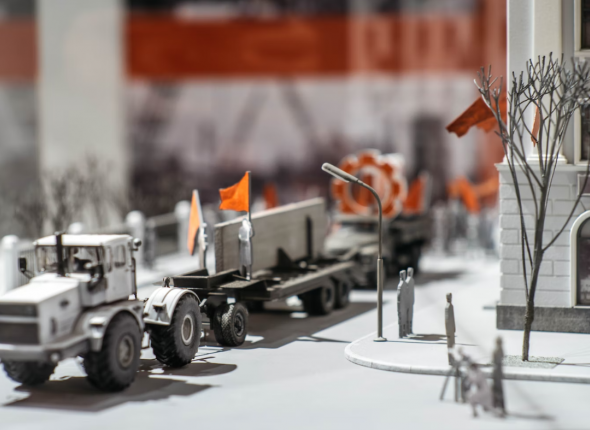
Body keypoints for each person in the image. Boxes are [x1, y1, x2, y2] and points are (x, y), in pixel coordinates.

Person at [492, 337, 506, 416]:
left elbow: (497, 361)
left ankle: (497, 406)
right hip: (497, 372)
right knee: (497, 390)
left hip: (497, 372)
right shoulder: (500, 350)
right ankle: (497, 405)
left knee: (497, 390)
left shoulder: (499, 351)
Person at [445, 293, 456, 364]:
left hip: (452, 329)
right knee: (450, 346)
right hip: (449, 330)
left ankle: (453, 358)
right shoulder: (447, 307)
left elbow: (453, 318)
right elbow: (446, 320)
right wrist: (448, 331)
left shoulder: (451, 306)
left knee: (453, 345)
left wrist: (454, 327)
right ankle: (450, 359)